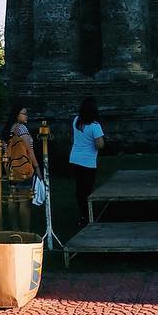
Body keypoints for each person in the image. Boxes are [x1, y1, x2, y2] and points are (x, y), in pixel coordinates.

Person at [4, 103, 41, 233]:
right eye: (24, 113)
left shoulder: (8, 129)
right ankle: (26, 232)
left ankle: (15, 230)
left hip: (11, 168)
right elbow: (29, 151)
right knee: (24, 201)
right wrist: (37, 168)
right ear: (17, 115)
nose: (26, 116)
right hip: (24, 168)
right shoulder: (21, 129)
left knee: (13, 198)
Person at [69, 97, 104, 230]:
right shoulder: (95, 126)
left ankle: (82, 214)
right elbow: (100, 144)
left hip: (75, 158)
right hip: (88, 162)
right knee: (87, 190)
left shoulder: (76, 121)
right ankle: (88, 215)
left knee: (79, 189)